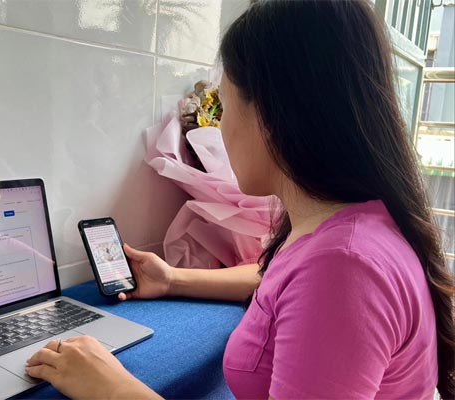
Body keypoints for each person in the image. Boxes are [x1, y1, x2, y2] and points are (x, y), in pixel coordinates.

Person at [25, 1, 455, 398]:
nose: (219, 128)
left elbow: (320, 289)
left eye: (226, 106)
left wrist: (111, 387)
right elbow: (278, 283)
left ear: (270, 114)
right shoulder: (349, 226)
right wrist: (172, 279)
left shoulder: (343, 267)